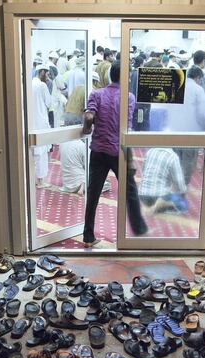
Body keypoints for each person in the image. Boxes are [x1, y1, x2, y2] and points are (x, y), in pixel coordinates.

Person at [82, 60, 147, 247]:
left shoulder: (96, 94)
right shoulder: (129, 97)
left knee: (93, 195)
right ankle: (140, 231)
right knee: (131, 191)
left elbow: (88, 116)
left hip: (98, 151)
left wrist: (88, 129)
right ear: (125, 76)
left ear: (110, 75)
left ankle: (88, 237)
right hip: (119, 150)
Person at [138, 148, 188, 214]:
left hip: (143, 194)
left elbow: (143, 171)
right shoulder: (173, 157)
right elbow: (179, 185)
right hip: (160, 195)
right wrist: (184, 195)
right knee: (184, 205)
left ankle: (144, 205)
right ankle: (161, 204)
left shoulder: (150, 151)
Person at [30, 65, 52, 186]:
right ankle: (40, 180)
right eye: (46, 73)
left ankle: (33, 179)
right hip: (41, 122)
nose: (47, 76)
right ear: (42, 72)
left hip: (31, 122)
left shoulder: (29, 84)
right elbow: (48, 103)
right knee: (42, 153)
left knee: (33, 152)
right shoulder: (42, 85)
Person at [59, 116, 87, 195]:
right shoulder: (81, 145)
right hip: (78, 183)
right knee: (105, 183)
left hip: (66, 184)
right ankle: (82, 187)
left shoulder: (62, 142)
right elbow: (87, 166)